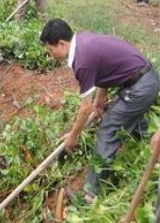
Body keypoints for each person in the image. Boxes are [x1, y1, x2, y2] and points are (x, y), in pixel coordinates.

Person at [40, 19, 159, 204]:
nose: (50, 54)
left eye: (50, 49)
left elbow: (85, 108)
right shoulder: (83, 41)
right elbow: (103, 70)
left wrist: (73, 136)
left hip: (140, 86)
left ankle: (90, 194)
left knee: (108, 129)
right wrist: (100, 99)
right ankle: (155, 148)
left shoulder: (82, 62)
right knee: (125, 116)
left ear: (62, 43)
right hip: (143, 80)